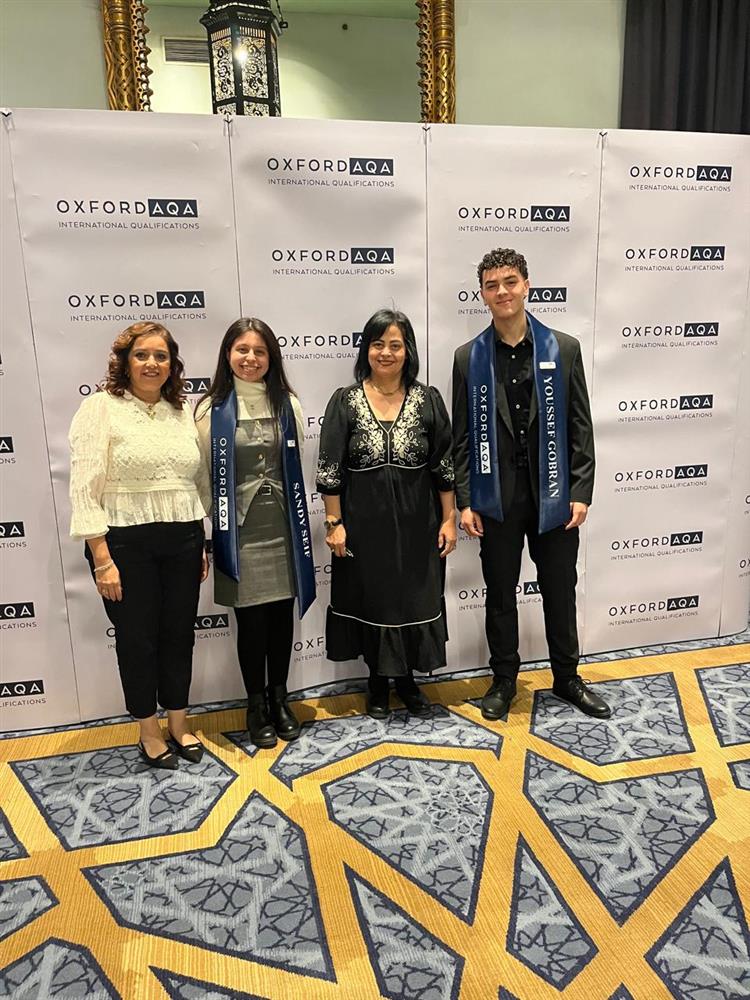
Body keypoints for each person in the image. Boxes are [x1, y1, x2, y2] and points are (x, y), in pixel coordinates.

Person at [451, 248, 611, 720]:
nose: (502, 291)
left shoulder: (563, 349)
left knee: (560, 589)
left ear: (526, 285)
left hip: (554, 495)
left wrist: (580, 491)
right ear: (482, 294)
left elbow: (580, 426)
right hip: (496, 497)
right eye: (492, 285)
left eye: (510, 282)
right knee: (500, 593)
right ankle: (504, 680)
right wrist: (466, 500)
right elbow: (462, 437)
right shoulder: (468, 358)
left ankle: (567, 677)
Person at [69, 322, 209, 770]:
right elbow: (83, 487)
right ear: (125, 362)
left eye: (161, 356)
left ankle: (179, 724)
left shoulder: (182, 411)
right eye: (142, 355)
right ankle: (149, 730)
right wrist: (101, 558)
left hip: (184, 538)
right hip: (124, 544)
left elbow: (196, 483)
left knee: (179, 635)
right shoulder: (100, 408)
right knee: (137, 640)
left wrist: (201, 544)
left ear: (172, 364)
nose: (152, 364)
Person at [316, 308, 456, 717]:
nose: (386, 353)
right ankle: (377, 682)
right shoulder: (345, 401)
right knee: (372, 600)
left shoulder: (428, 399)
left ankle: (407, 681)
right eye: (378, 344)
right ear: (366, 349)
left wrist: (449, 518)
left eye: (395, 345)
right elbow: (330, 469)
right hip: (364, 525)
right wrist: (334, 523)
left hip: (418, 524)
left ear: (407, 350)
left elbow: (444, 465)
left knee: (412, 599)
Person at [196, 318, 315, 749]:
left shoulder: (287, 404)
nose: (250, 358)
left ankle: (280, 698)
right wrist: (211, 532)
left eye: (259, 351)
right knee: (250, 623)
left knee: (281, 619)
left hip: (282, 526)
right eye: (242, 350)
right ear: (228, 355)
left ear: (271, 358)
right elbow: (203, 477)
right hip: (239, 532)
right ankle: (255, 704)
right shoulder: (210, 410)